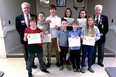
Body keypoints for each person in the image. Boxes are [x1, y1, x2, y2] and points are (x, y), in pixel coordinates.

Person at [15, 2, 37, 68]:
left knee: (32, 51)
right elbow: (17, 28)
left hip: (33, 38)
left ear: (29, 8)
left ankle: (32, 63)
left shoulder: (34, 16)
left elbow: (36, 26)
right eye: (25, 8)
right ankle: (28, 64)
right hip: (24, 38)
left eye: (27, 8)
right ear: (22, 9)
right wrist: (23, 34)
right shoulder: (18, 18)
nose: (26, 9)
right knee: (26, 52)